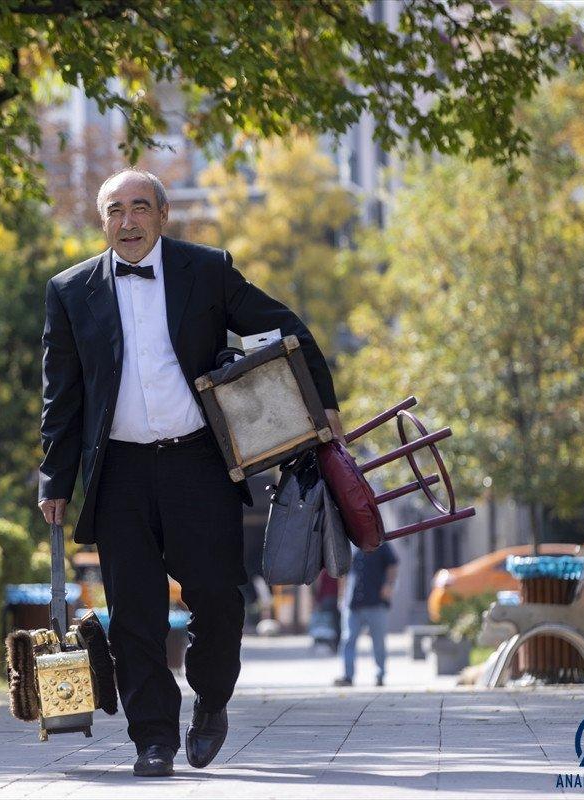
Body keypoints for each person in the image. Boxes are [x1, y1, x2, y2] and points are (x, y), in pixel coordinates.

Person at [38, 168, 342, 777]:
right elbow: (62, 397)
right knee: (134, 614)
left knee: (218, 599)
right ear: (104, 221)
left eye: (140, 208)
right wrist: (54, 480)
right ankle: (153, 738)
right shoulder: (70, 291)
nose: (128, 221)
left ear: (162, 214)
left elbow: (283, 325)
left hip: (199, 463)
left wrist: (322, 402)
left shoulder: (206, 270)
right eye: (116, 210)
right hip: (118, 472)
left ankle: (212, 702)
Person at [334, 541, 398, 687]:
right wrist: (341, 595)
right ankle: (347, 675)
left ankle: (380, 674)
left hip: (376, 601)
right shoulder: (348, 546)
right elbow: (342, 572)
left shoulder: (381, 543)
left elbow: (393, 564)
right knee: (348, 639)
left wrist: (389, 586)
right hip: (353, 602)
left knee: (378, 641)